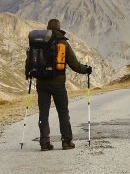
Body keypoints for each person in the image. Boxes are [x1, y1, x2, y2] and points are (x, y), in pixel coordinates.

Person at [31, 18, 92, 151]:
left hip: (41, 83)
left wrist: (30, 74)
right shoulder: (62, 43)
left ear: (48, 28)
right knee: (63, 112)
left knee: (43, 113)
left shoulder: (38, 42)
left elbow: (29, 61)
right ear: (59, 29)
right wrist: (86, 70)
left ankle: (44, 142)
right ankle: (66, 141)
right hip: (58, 83)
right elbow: (74, 64)